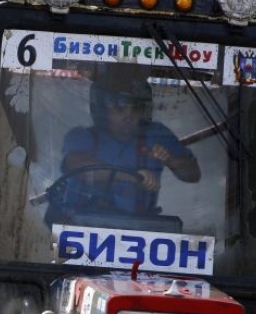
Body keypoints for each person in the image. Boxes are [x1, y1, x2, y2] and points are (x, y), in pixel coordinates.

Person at [59, 79, 201, 216]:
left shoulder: (156, 135)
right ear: (101, 109)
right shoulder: (81, 136)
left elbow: (193, 174)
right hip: (81, 227)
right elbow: (78, 168)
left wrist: (170, 160)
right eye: (119, 107)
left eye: (136, 108)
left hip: (139, 228)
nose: (129, 116)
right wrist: (134, 177)